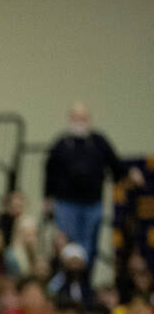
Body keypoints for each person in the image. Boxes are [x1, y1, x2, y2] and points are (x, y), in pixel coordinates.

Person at [44, 102, 145, 269]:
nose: (79, 121)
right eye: (76, 117)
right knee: (66, 246)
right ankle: (67, 283)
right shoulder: (60, 144)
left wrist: (129, 173)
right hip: (66, 204)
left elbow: (116, 164)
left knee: (89, 247)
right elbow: (50, 173)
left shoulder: (99, 141)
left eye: (83, 117)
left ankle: (85, 285)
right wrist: (47, 198)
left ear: (89, 119)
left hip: (92, 204)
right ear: (70, 119)